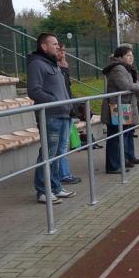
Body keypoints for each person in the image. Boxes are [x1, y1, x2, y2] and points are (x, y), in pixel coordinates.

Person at [27, 32, 76, 204]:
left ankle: (55, 187)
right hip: (50, 115)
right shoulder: (37, 64)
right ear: (44, 46)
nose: (58, 47)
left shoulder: (53, 64)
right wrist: (55, 101)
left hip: (63, 114)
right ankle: (43, 191)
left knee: (57, 153)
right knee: (48, 153)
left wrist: (69, 105)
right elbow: (34, 90)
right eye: (54, 44)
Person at [101, 45, 139, 174]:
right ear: (120, 57)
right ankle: (113, 166)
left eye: (132, 55)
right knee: (116, 137)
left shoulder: (124, 68)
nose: (131, 58)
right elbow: (125, 86)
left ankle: (120, 162)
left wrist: (137, 85)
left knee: (122, 135)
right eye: (128, 55)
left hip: (123, 106)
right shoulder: (118, 68)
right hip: (117, 107)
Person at [55, 42, 81, 185]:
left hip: (67, 109)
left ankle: (63, 174)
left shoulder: (63, 67)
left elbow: (67, 88)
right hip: (58, 110)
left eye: (64, 50)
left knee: (63, 144)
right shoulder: (53, 68)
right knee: (59, 145)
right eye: (59, 50)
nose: (62, 53)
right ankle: (62, 175)